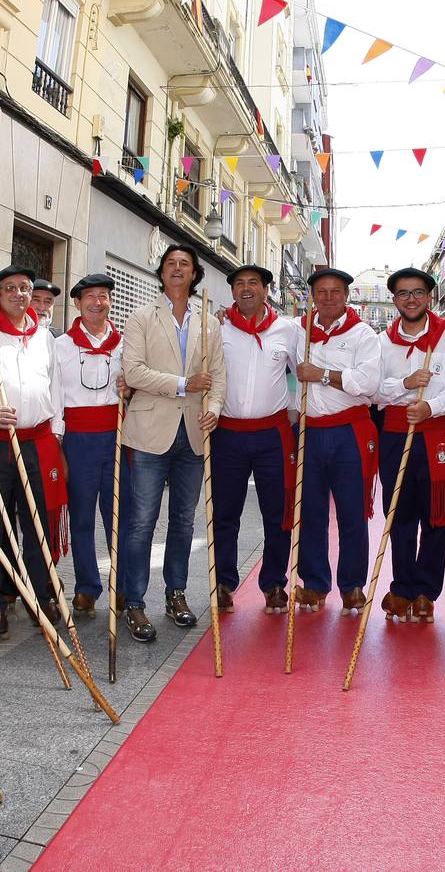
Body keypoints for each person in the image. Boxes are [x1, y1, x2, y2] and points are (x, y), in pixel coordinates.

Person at [120, 245, 225, 641]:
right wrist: (183, 384)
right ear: (161, 273)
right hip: (149, 432)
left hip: (194, 434)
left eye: (185, 264)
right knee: (142, 522)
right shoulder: (141, 317)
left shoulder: (208, 323)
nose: (177, 269)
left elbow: (217, 375)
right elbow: (133, 372)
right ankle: (134, 602)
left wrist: (213, 407)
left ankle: (176, 593)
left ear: (195, 274)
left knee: (183, 520)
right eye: (170, 264)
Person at [0, 265, 67, 641]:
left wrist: (55, 432)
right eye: (10, 288)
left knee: (38, 525)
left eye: (24, 288)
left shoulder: (44, 336)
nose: (19, 294)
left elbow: (55, 387)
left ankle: (42, 596)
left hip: (37, 442)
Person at [373, 268, 445, 623]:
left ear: (430, 296)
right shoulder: (382, 341)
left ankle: (427, 591)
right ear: (394, 299)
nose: (411, 299)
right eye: (403, 293)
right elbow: (373, 390)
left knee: (436, 515)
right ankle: (402, 587)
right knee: (399, 513)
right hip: (396, 435)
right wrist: (406, 383)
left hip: (438, 433)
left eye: (417, 292)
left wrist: (430, 406)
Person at [212, 264, 301, 614]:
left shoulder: (288, 330)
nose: (246, 288)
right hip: (227, 434)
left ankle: (274, 582)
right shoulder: (217, 328)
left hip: (273, 435)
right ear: (232, 291)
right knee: (224, 512)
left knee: (277, 513)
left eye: (253, 283)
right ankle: (223, 581)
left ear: (267, 290)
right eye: (239, 283)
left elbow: (303, 372)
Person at [293, 267, 381, 615]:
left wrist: (323, 375)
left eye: (335, 292)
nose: (328, 298)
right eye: (321, 292)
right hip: (310, 432)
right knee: (311, 511)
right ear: (312, 296)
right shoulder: (296, 332)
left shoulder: (363, 335)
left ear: (346, 295)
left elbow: (368, 383)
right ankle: (314, 584)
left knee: (352, 511)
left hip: (349, 433)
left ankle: (352, 585)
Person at [54, 272, 128, 618]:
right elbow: (55, 397)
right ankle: (86, 587)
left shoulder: (125, 343)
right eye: (91, 297)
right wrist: (58, 443)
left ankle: (124, 584)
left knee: (119, 516)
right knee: (81, 517)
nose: (98, 303)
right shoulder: (61, 346)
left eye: (104, 296)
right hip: (78, 439)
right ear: (77, 303)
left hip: (116, 437)